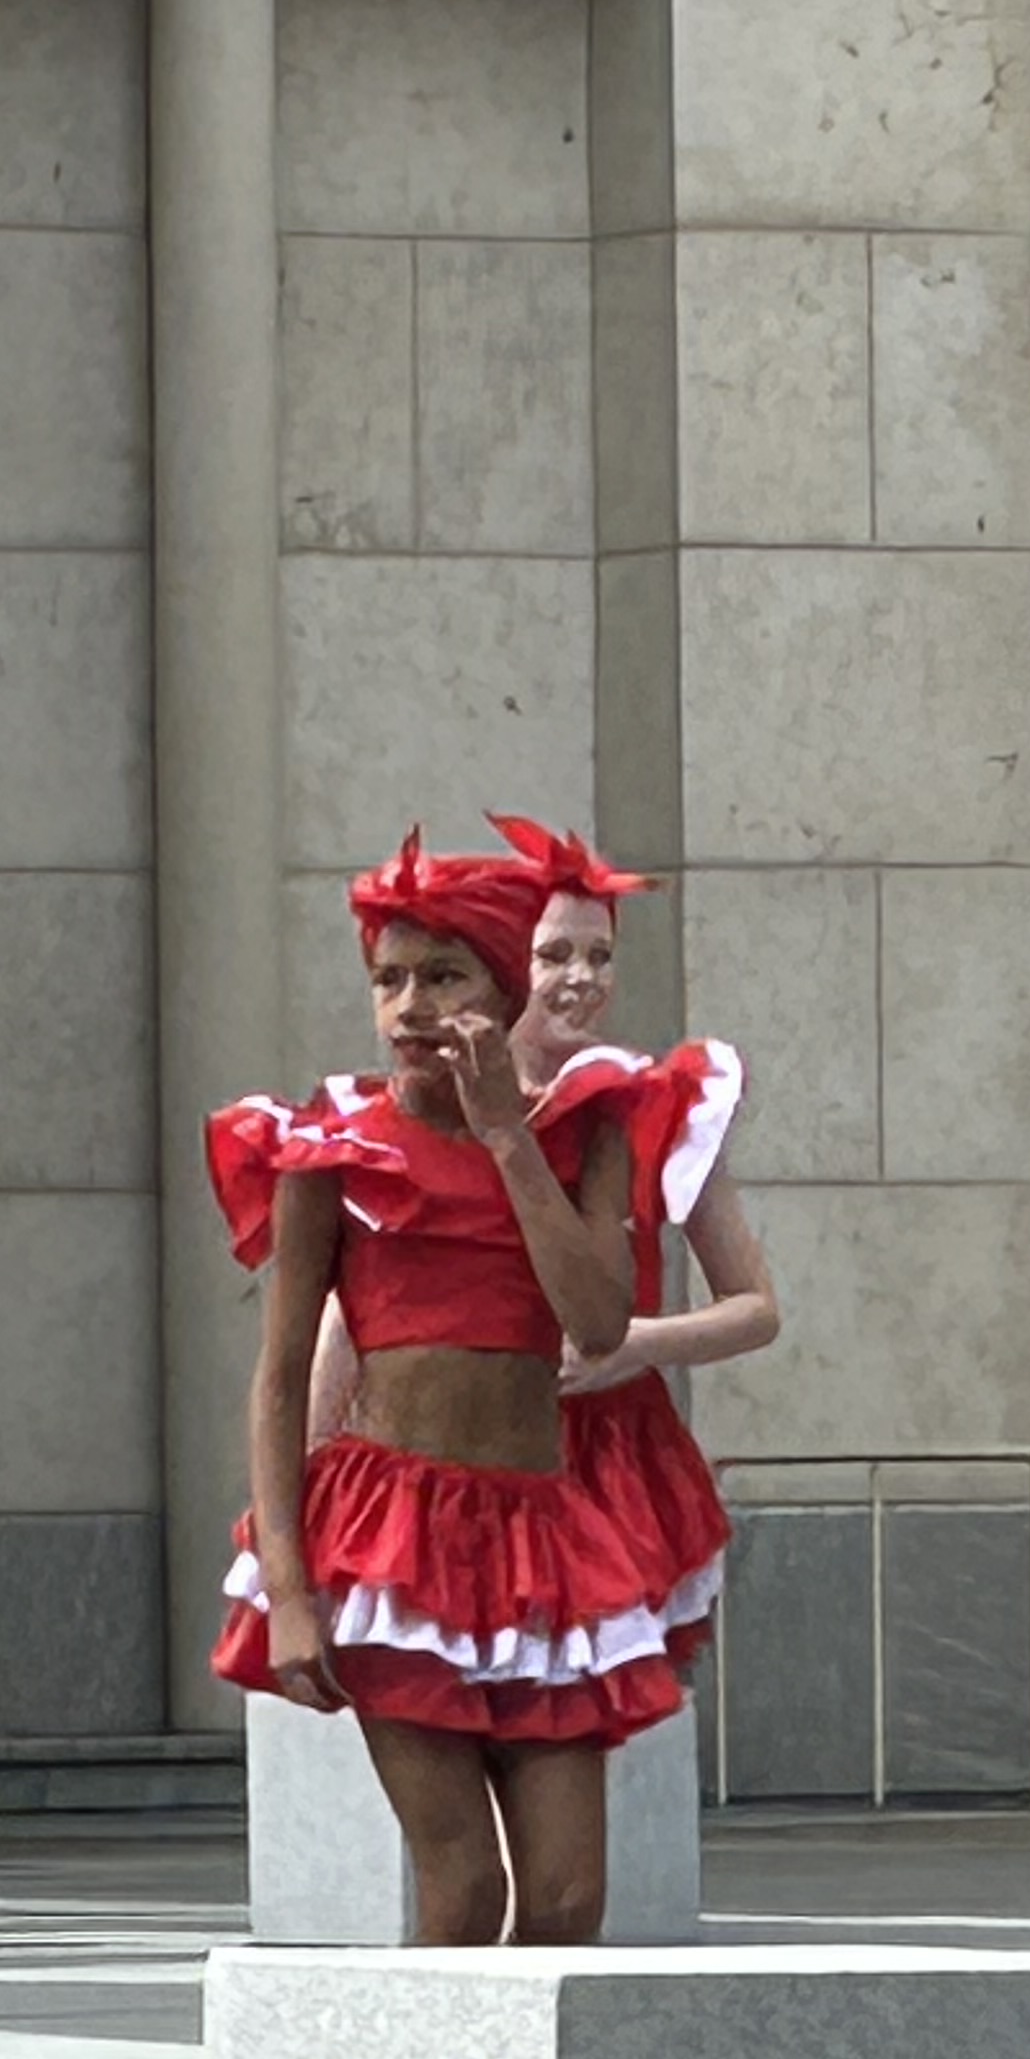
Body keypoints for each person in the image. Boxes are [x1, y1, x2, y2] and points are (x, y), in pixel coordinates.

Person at [211, 834, 690, 1948]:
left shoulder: (586, 1128)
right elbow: (281, 1382)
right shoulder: (330, 1152)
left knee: (570, 1902)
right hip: (392, 1537)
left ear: (502, 987)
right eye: (389, 980)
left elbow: (598, 1321)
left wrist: (507, 1137)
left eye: (444, 977)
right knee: (462, 1891)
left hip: (542, 1536)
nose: (411, 1006)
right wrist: (288, 1588)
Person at [308, 819, 775, 1674]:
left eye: (599, 957)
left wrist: (633, 1344)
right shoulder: (408, 1113)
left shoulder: (646, 1105)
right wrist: (311, 1480)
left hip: (607, 1456)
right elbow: (353, 1310)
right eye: (553, 954)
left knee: (600, 1716)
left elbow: (755, 1308)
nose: (580, 980)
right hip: (442, 1452)